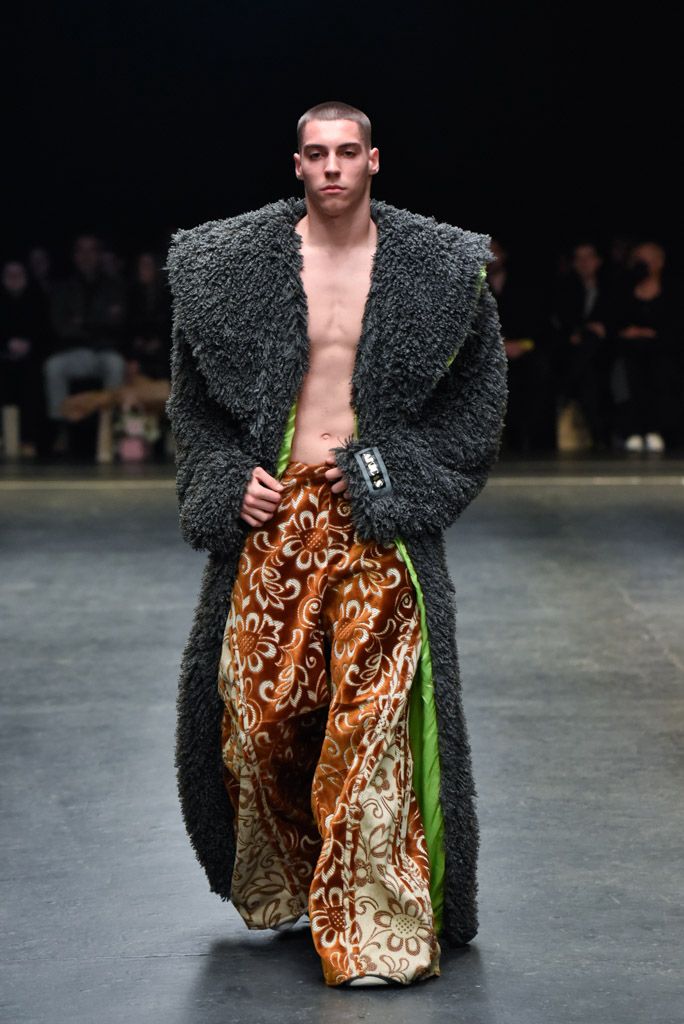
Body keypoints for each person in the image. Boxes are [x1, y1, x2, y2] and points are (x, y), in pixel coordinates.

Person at [164, 100, 508, 988]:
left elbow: (476, 408)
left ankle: (374, 926)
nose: (331, 167)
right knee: (258, 722)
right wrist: (226, 479)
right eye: (316, 153)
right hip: (274, 521)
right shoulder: (226, 269)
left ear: (373, 161)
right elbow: (195, 410)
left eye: (347, 152)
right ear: (297, 164)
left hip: (373, 522)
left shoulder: (438, 270)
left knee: (372, 725)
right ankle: (310, 878)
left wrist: (396, 480)